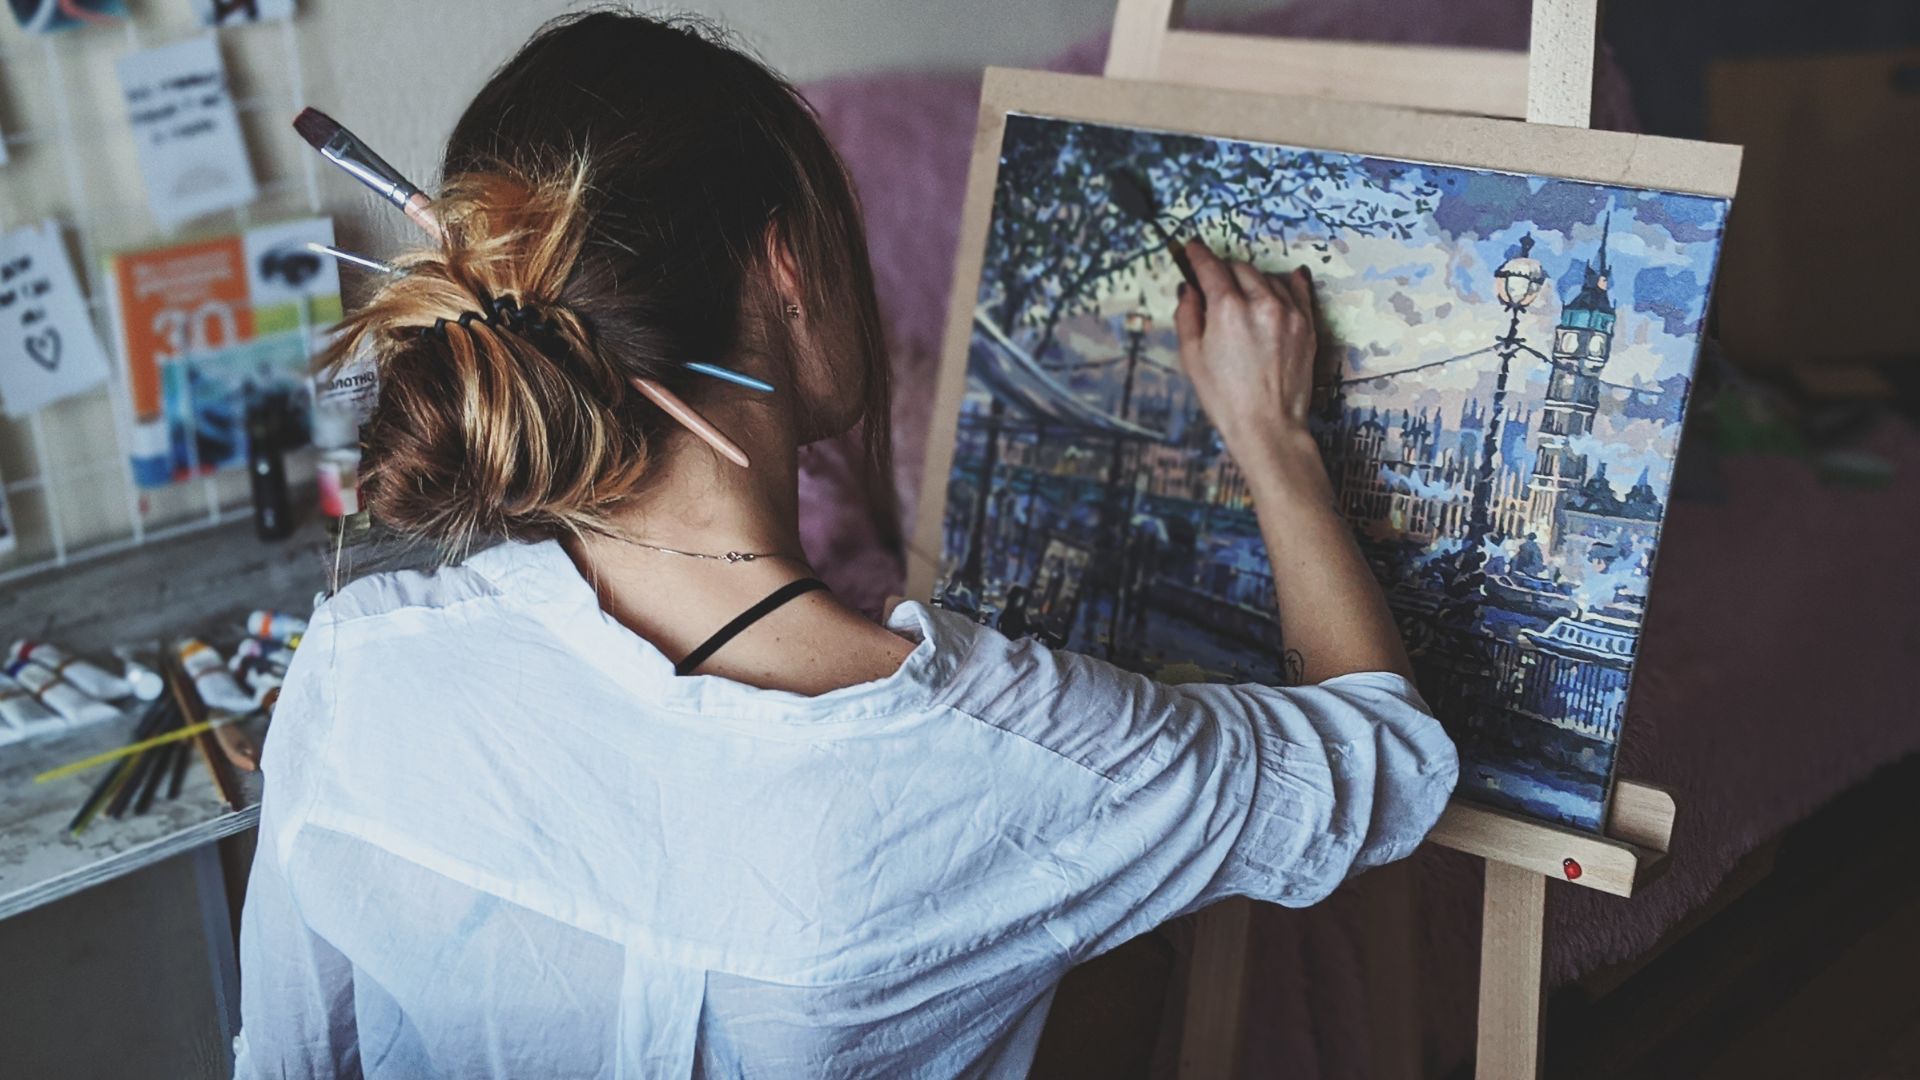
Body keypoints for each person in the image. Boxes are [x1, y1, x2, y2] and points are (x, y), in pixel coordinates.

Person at [234, 13, 1457, 1078]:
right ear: (785, 267)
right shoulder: (989, 747)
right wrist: (1273, 435)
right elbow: (1387, 764)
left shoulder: (358, 666)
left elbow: (285, 1061)